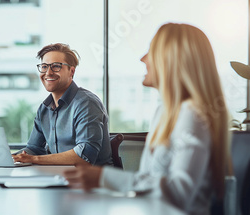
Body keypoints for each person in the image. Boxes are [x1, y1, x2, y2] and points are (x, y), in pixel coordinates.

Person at [63, 23, 230, 215]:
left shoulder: (192, 114)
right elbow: (148, 182)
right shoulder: (164, 112)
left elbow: (179, 194)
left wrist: (104, 178)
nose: (142, 59)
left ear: (171, 60)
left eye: (151, 51)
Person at [12, 43, 112, 166]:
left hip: (91, 181)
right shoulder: (44, 109)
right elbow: (34, 149)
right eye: (44, 66)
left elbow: (85, 155)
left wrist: (34, 159)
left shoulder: (86, 103)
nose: (48, 73)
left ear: (71, 71)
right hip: (58, 177)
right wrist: (9, 158)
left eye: (56, 66)